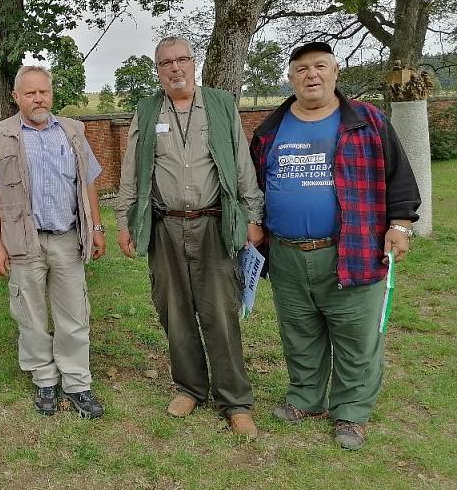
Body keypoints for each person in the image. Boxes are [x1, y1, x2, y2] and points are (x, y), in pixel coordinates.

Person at [249, 41, 420, 450]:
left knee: (356, 337)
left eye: (320, 66)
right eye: (302, 68)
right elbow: (254, 187)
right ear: (290, 77)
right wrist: (254, 223)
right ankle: (306, 399)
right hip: (287, 252)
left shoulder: (368, 121)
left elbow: (399, 177)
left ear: (335, 71)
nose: (311, 75)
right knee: (299, 332)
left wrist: (400, 225)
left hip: (352, 249)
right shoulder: (269, 130)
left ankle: (351, 412)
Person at [115, 36, 264, 438]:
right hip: (164, 226)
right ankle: (189, 387)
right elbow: (131, 172)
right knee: (174, 312)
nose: (175, 68)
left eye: (181, 60)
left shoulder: (220, 104)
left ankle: (234, 400)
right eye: (166, 63)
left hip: (214, 224)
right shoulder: (147, 112)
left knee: (220, 312)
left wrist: (253, 214)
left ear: (193, 63)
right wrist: (124, 221)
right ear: (158, 69)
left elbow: (241, 163)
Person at [0, 65, 106, 418]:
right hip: (23, 241)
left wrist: (97, 227)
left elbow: (88, 181)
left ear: (51, 94)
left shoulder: (72, 131)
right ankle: (44, 379)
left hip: (67, 237)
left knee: (74, 314)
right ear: (16, 97)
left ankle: (77, 382)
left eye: (44, 92)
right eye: (31, 93)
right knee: (30, 315)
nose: (39, 99)